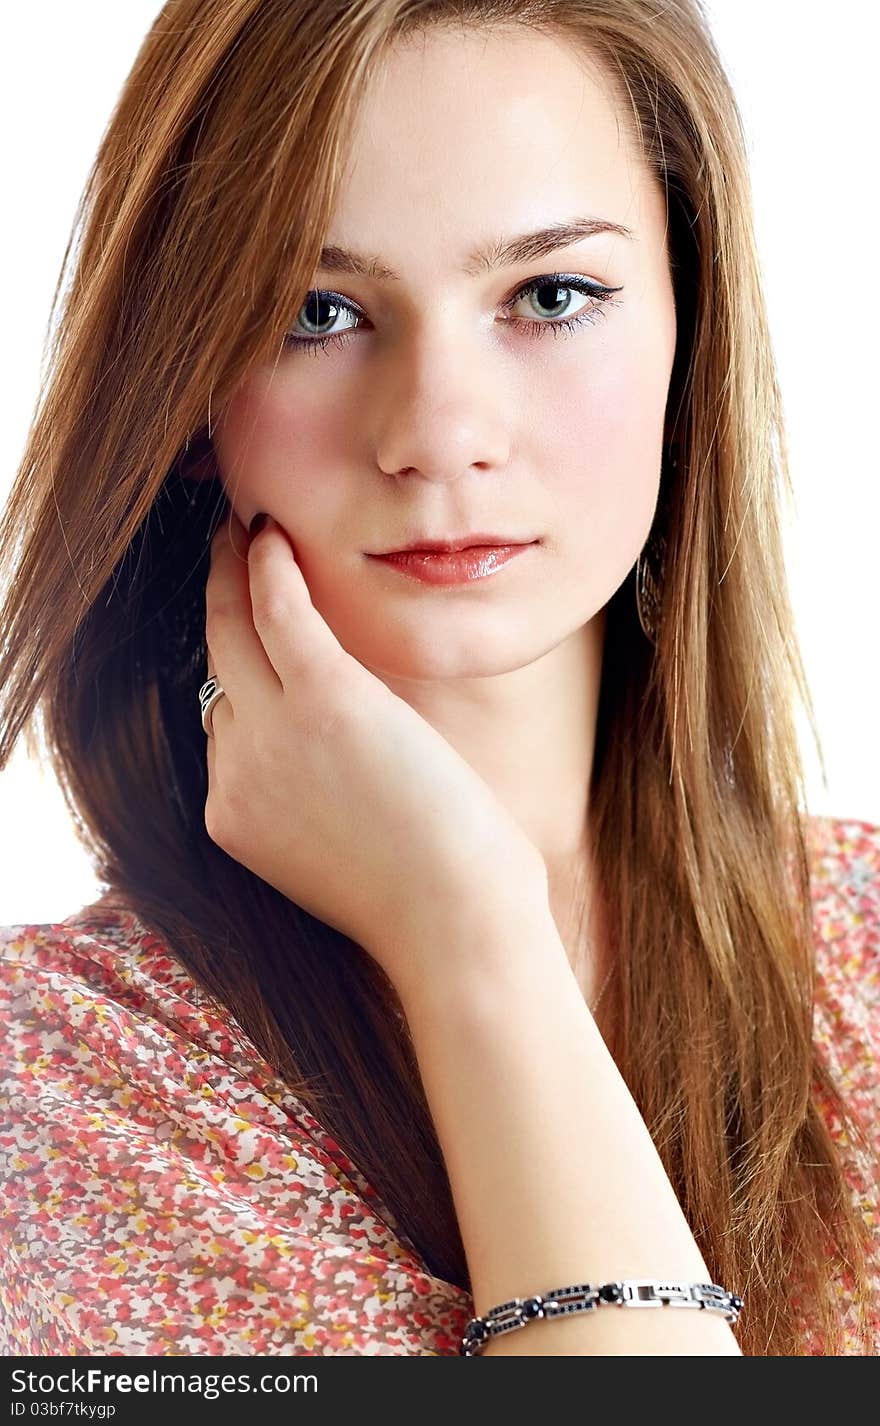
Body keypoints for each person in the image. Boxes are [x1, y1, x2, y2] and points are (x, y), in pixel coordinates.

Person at [0, 0, 876, 1357]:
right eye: (319, 310)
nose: (440, 432)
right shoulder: (56, 1084)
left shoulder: (864, 955)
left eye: (551, 295)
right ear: (184, 405)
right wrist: (467, 926)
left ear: (691, 332)